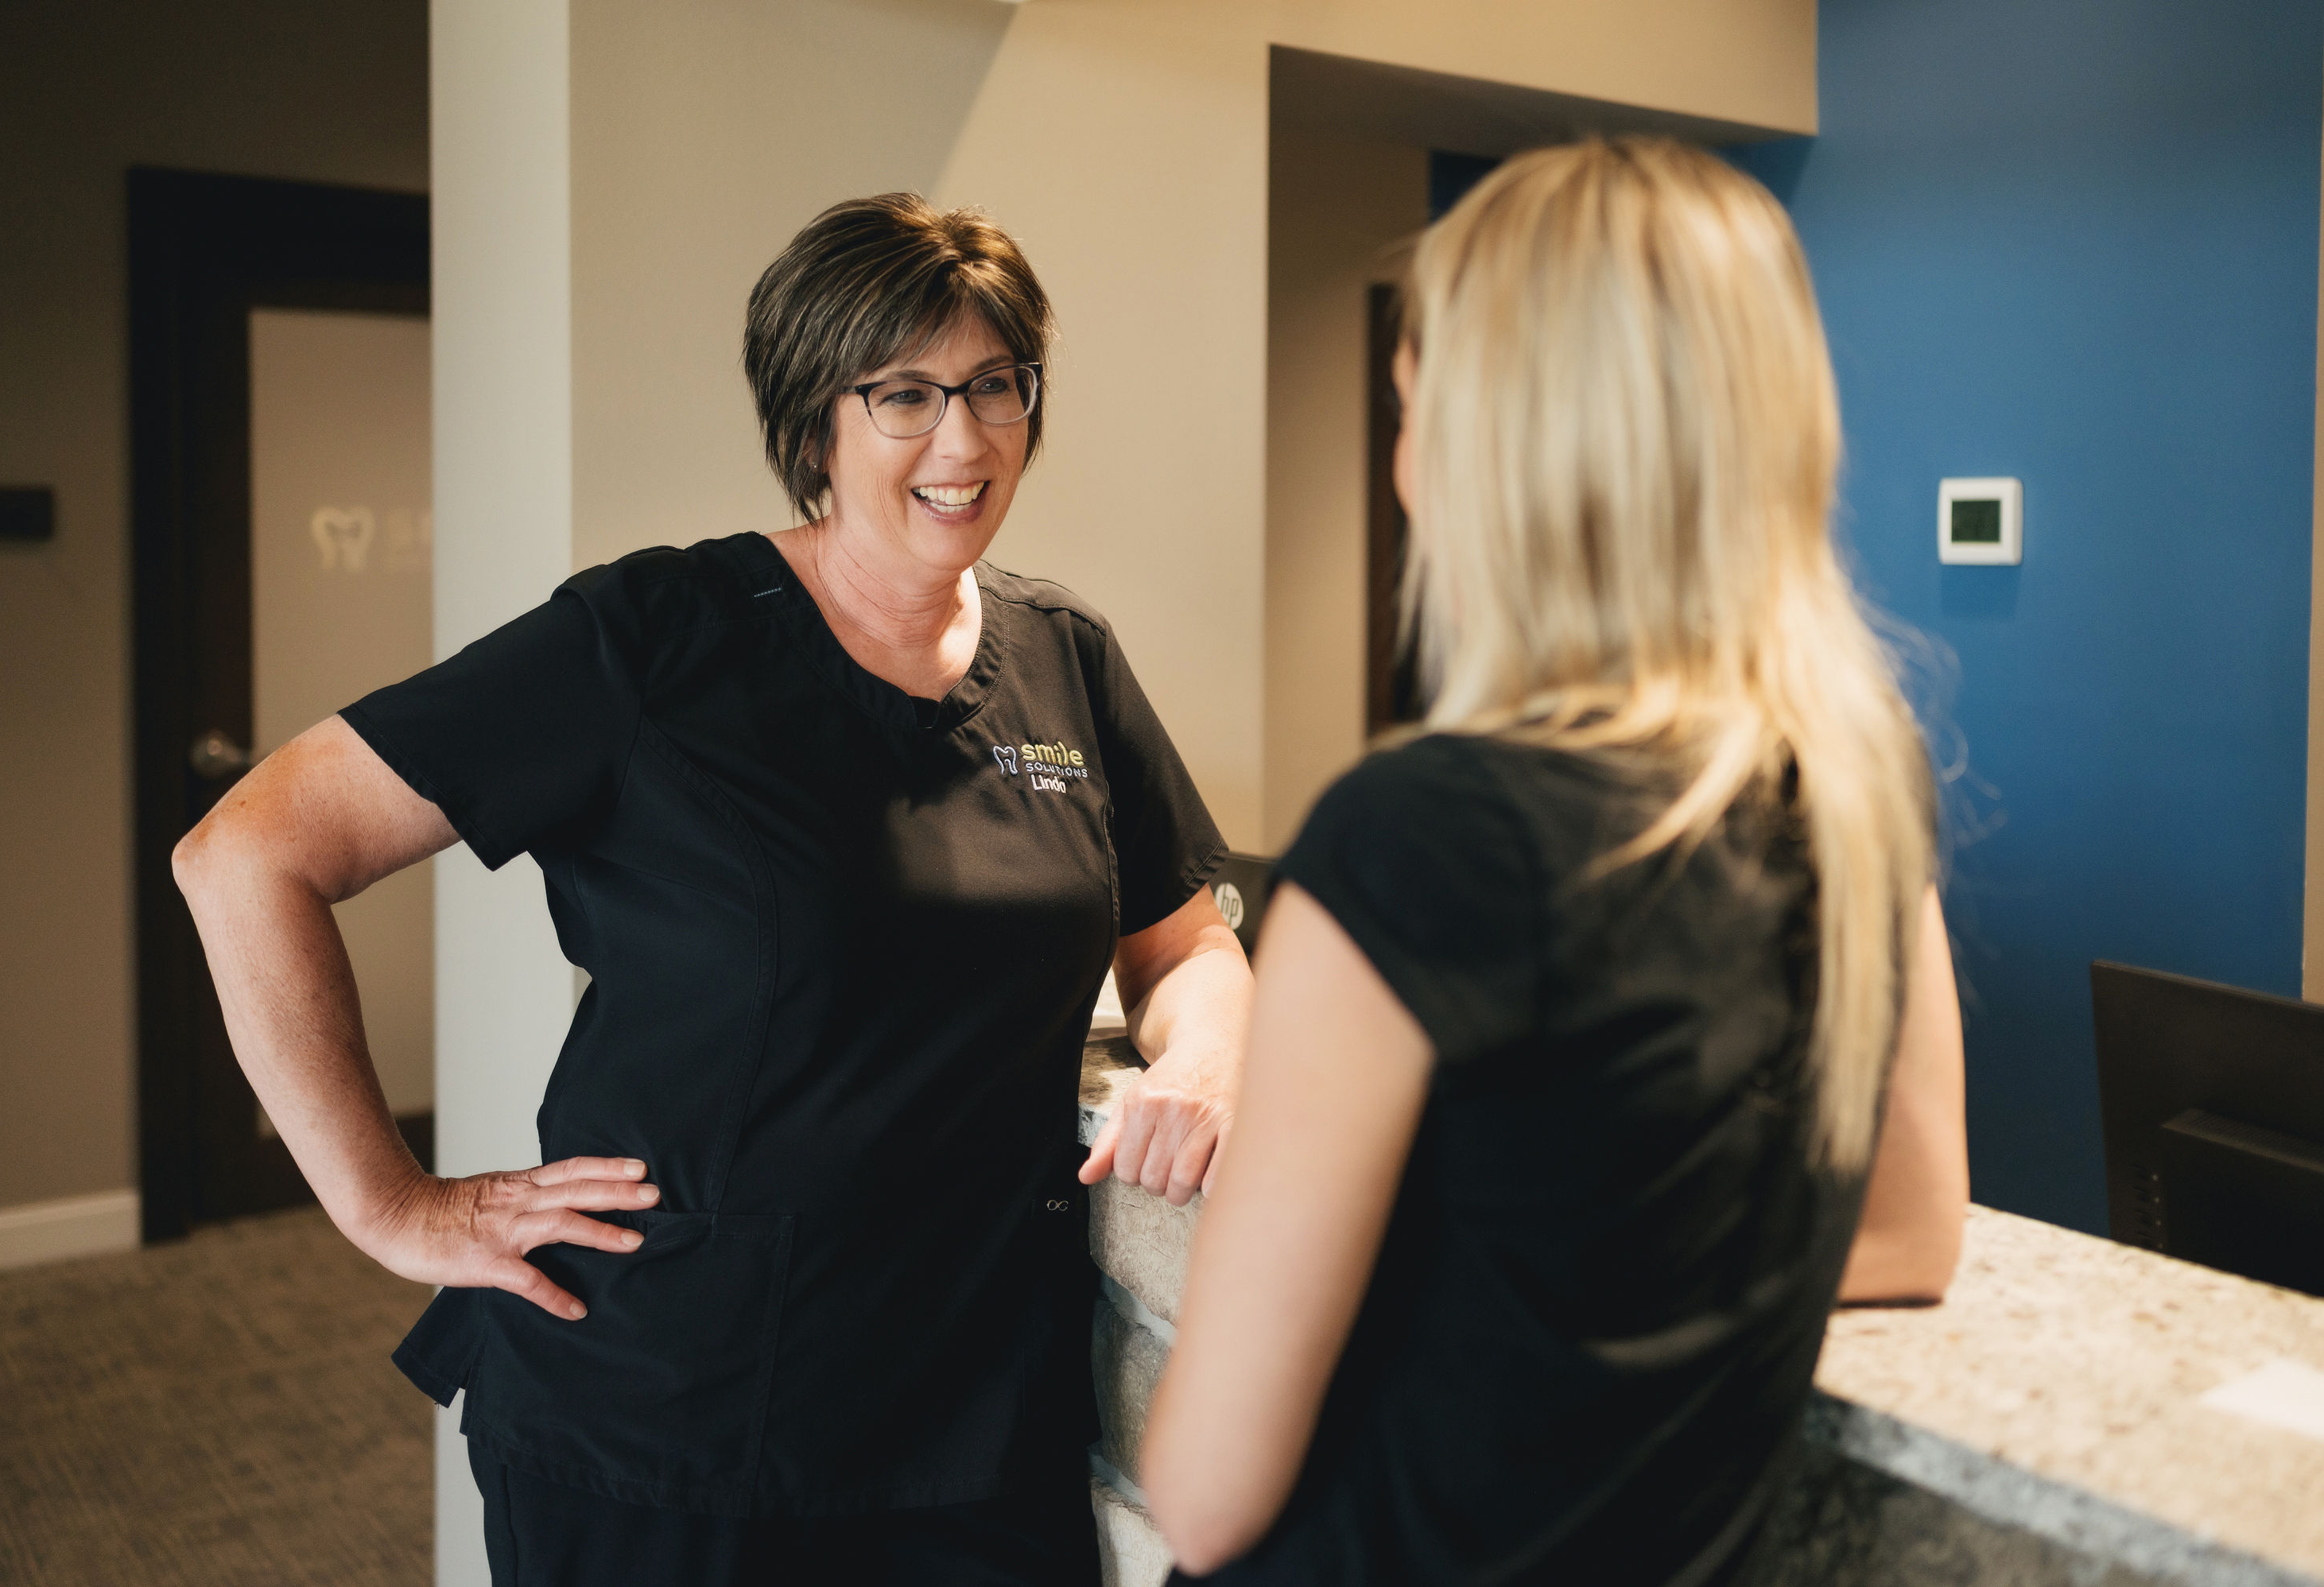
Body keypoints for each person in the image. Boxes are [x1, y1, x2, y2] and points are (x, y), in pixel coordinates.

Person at [173, 192, 1251, 1586]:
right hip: (670, 1421)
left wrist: (1213, 1059)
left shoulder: (1065, 658)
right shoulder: (650, 643)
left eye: (997, 386)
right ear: (817, 418)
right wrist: (392, 1207)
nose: (966, 440)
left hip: (978, 1414)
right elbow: (248, 850)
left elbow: (1183, 943)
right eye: (905, 394)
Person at [1142, 138, 1969, 1585]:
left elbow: (1207, 1492)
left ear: (1496, 448)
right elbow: (1907, 1231)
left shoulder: (1421, 836)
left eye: (1413, 412)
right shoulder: (1856, 782)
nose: (1402, 465)